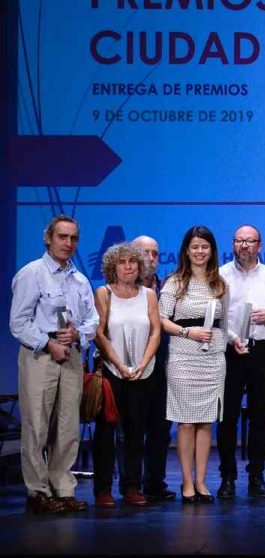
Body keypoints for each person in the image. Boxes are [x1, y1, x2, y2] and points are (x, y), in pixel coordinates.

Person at [10, 215, 97, 514]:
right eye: (62, 237)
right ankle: (38, 492)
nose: (68, 243)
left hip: (71, 354)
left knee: (68, 427)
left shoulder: (80, 279)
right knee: (36, 426)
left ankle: (62, 488)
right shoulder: (32, 273)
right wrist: (49, 345)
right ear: (48, 238)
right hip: (40, 354)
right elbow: (18, 323)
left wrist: (78, 334)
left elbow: (93, 321)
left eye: (73, 238)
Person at [216, 224, 265, 499]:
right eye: (239, 240)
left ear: (260, 246)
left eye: (250, 241)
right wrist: (232, 337)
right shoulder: (220, 276)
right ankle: (227, 477)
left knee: (260, 415)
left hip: (261, 350)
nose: (244, 245)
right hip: (230, 349)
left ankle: (256, 476)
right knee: (227, 416)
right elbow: (215, 317)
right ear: (233, 244)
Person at [158, 225, 230, 504]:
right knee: (186, 423)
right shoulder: (174, 282)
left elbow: (225, 323)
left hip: (213, 360)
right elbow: (160, 320)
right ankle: (187, 482)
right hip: (183, 358)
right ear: (186, 251)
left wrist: (223, 349)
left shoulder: (220, 284)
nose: (200, 251)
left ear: (212, 250)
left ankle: (201, 481)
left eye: (205, 247)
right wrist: (188, 332)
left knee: (205, 423)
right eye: (195, 247)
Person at [92, 241, 161, 507]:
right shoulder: (104, 293)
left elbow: (155, 331)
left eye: (133, 261)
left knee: (135, 431)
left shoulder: (148, 295)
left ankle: (132, 486)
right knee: (106, 432)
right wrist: (120, 365)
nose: (128, 267)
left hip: (143, 372)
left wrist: (143, 362)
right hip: (113, 371)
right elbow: (99, 332)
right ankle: (103, 489)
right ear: (113, 266)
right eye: (122, 262)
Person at [133, 235, 175, 501]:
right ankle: (131, 485)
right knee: (132, 429)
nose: (150, 258)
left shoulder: (170, 287)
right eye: (144, 252)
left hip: (165, 365)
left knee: (161, 429)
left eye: (155, 253)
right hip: (133, 365)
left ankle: (154, 483)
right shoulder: (121, 289)